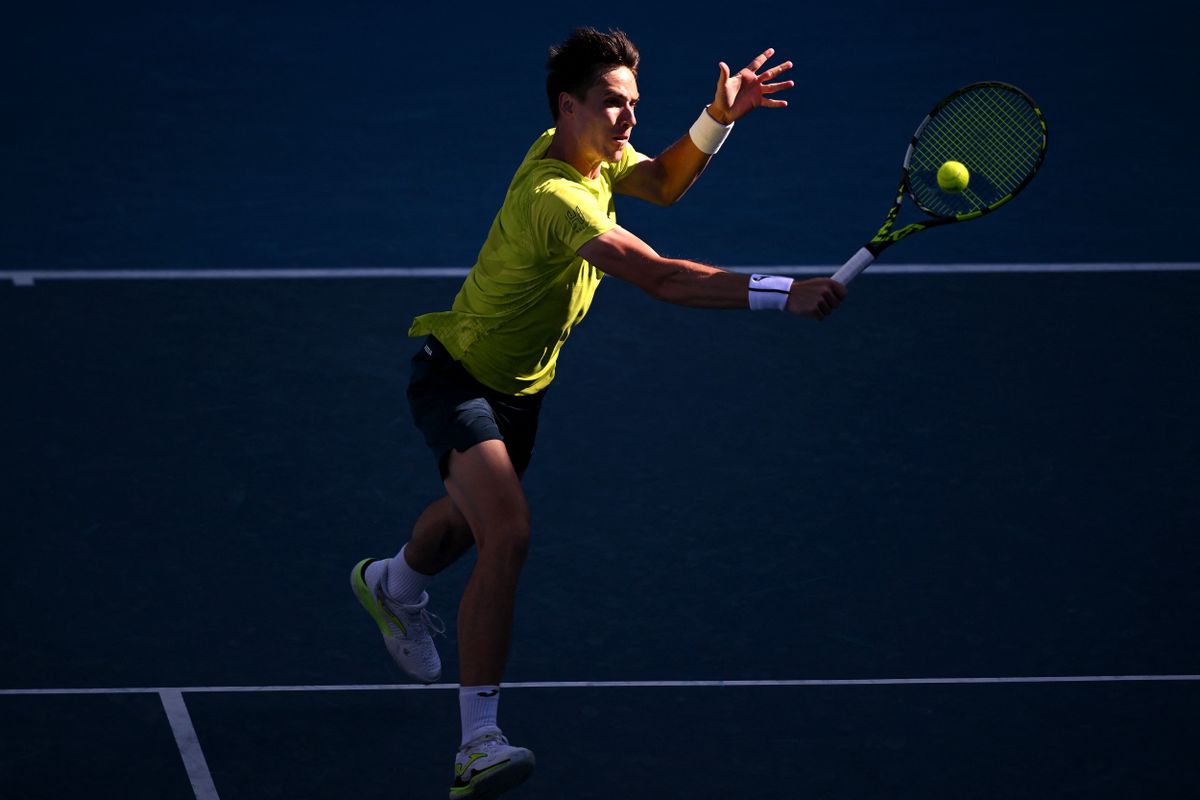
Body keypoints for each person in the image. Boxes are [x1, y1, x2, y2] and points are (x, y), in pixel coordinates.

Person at [351, 26, 847, 799]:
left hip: (522, 389)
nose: (628, 121)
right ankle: (477, 743)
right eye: (613, 106)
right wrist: (786, 292)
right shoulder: (554, 196)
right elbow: (665, 280)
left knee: (463, 524)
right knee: (507, 534)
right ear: (567, 106)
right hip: (457, 379)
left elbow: (666, 183)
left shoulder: (593, 152)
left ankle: (393, 583)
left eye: (634, 106)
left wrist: (719, 118)